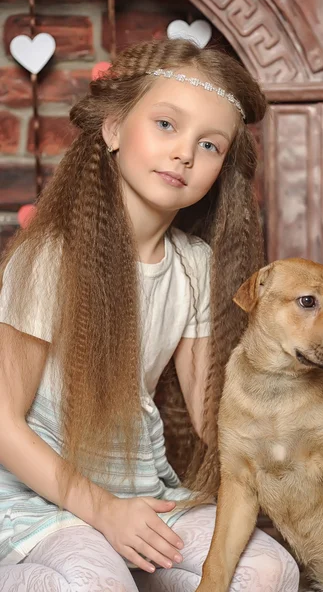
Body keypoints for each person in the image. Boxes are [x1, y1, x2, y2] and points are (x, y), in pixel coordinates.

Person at [0, 38, 304, 591]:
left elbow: (216, 414)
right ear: (114, 130)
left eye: (210, 145)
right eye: (167, 125)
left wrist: (308, 426)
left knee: (269, 569)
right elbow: (2, 424)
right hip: (38, 495)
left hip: (143, 489)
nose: (185, 153)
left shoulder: (196, 267)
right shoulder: (49, 257)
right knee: (95, 582)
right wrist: (104, 512)